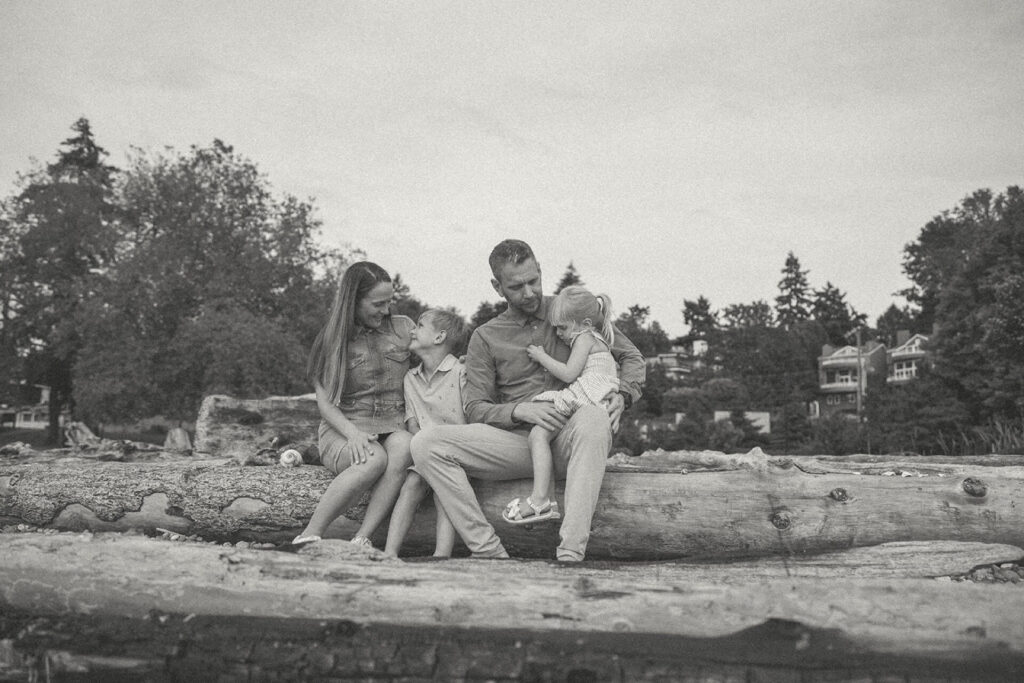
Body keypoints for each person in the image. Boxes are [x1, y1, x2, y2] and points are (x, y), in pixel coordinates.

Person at [411, 239, 645, 561]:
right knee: (425, 443)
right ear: (497, 287)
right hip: (517, 445)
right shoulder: (486, 336)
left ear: (540, 271)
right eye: (517, 286)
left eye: (534, 281)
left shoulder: (572, 311)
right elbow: (476, 407)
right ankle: (489, 551)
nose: (530, 293)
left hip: (573, 439)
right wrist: (521, 410)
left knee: (593, 416)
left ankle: (570, 554)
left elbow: (631, 357)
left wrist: (623, 394)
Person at [292, 261, 415, 548]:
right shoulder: (331, 342)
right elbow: (326, 405)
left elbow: (434, 360)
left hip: (393, 425)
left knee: (405, 447)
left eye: (389, 302)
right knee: (373, 459)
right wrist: (353, 434)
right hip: (345, 428)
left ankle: (362, 538)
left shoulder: (403, 329)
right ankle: (309, 534)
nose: (386, 311)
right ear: (354, 301)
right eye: (378, 304)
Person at [502, 285, 620, 526]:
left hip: (586, 394)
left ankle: (541, 499)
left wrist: (541, 356)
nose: (559, 334)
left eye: (563, 328)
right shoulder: (597, 338)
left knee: (537, 434)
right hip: (593, 394)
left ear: (585, 322)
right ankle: (544, 499)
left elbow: (568, 374)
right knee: (540, 434)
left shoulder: (584, 338)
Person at [383, 309, 468, 558]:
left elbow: (473, 417)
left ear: (440, 337)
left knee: (446, 492)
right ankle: (389, 554)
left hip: (460, 450)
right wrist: (424, 456)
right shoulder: (411, 378)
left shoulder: (461, 372)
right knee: (412, 484)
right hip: (425, 452)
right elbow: (412, 424)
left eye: (419, 325)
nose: (412, 330)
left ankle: (441, 556)